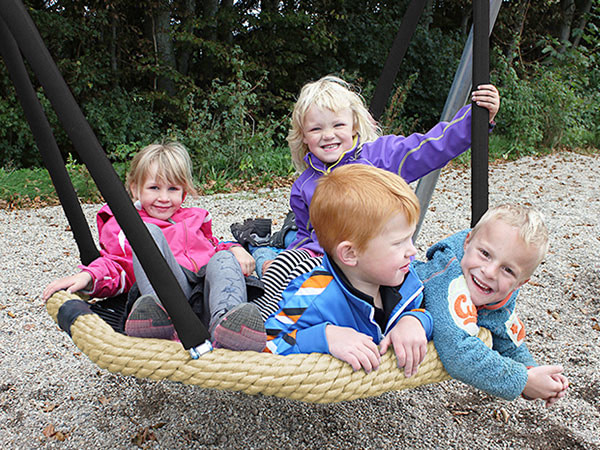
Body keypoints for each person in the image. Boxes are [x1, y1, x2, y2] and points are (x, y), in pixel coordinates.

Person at [234, 75, 500, 276]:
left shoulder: (380, 157)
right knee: (283, 266)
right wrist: (294, 259)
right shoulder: (304, 186)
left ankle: (268, 246)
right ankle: (268, 260)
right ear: (303, 136)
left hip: (378, 261)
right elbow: (307, 234)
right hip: (330, 266)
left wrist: (474, 120)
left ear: (353, 126)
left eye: (338, 125)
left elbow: (429, 148)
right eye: (316, 129)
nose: (328, 135)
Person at [42, 142, 266, 352]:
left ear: (183, 192)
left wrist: (234, 249)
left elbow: (212, 246)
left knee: (224, 259)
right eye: (154, 188)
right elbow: (117, 264)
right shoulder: (126, 224)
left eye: (172, 189)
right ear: (135, 189)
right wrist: (89, 277)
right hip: (169, 299)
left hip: (205, 300)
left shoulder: (194, 218)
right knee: (147, 234)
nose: (163, 198)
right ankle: (159, 318)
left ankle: (228, 327)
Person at [262, 165, 432, 377]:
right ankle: (260, 251)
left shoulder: (404, 277)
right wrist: (325, 337)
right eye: (399, 243)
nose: (412, 251)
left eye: (410, 237)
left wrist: (415, 322)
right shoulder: (313, 296)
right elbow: (268, 345)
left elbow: (428, 310)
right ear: (350, 254)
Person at [413, 204, 569, 406]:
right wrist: (524, 381)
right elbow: (457, 352)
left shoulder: (500, 295)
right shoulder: (446, 275)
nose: (489, 272)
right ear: (467, 242)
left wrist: (535, 373)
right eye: (485, 254)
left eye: (508, 270)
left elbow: (508, 340)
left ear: (519, 283)